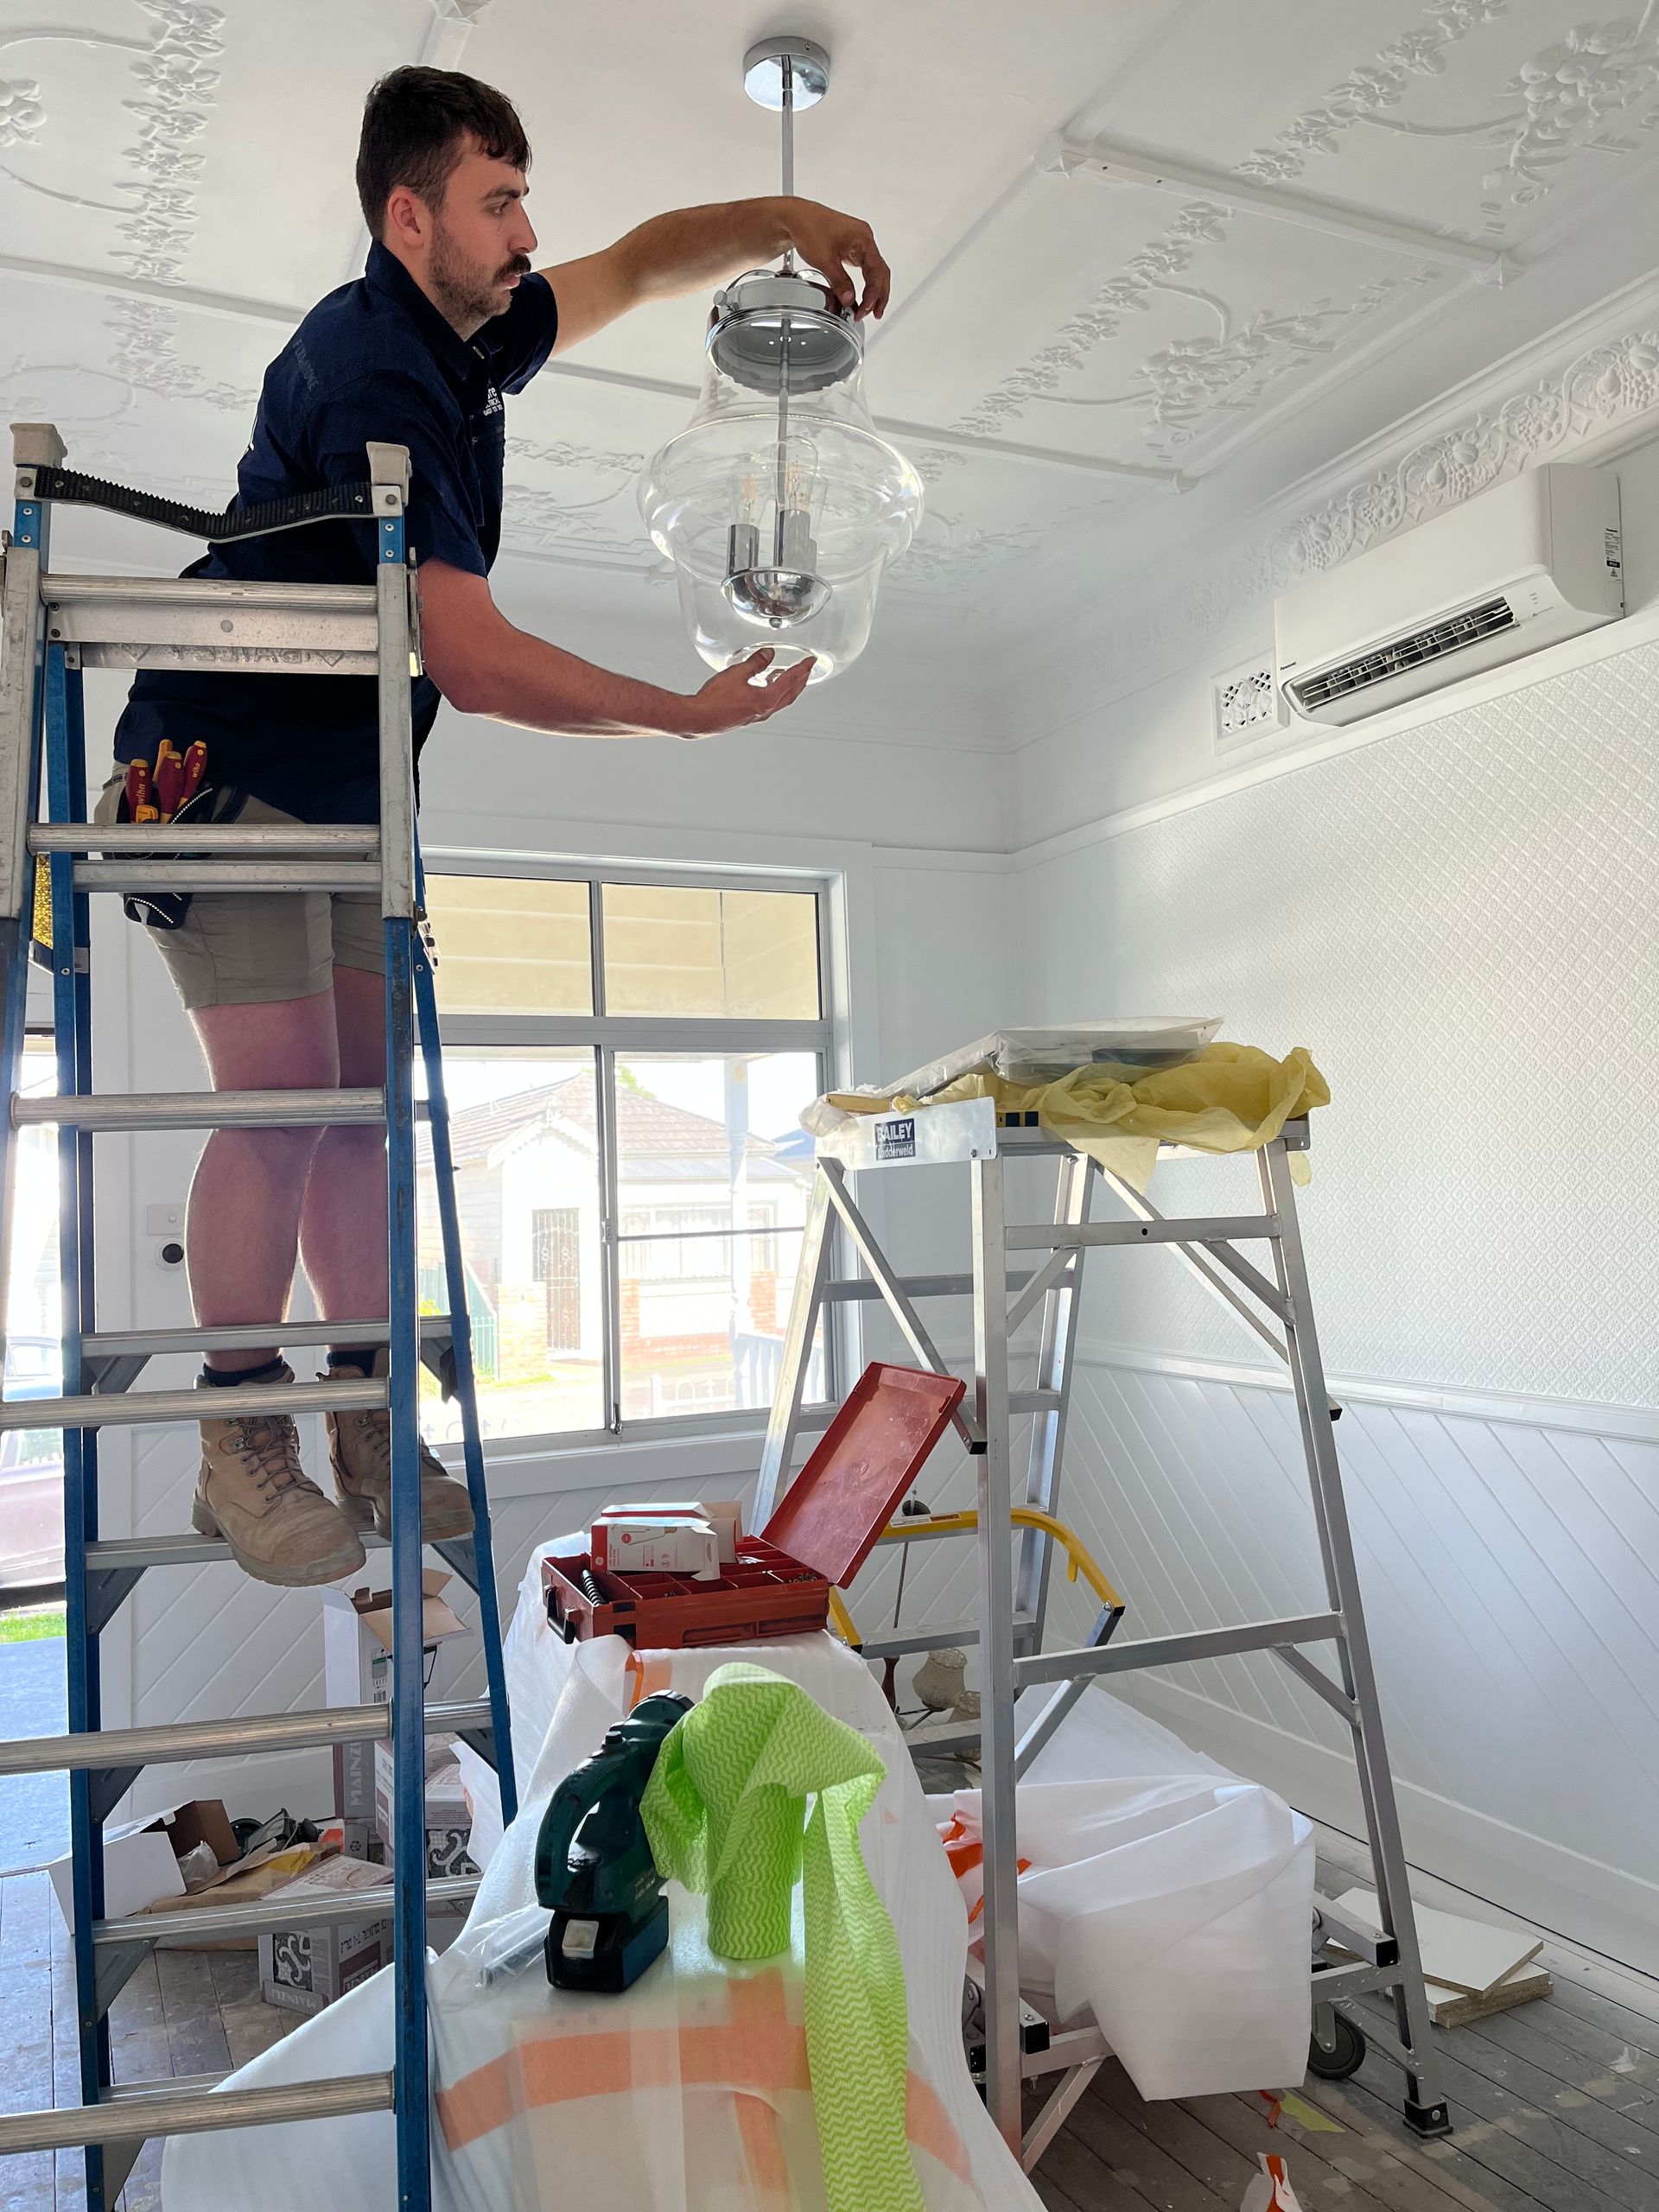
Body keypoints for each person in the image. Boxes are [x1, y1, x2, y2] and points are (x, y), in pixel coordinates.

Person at [101, 66, 892, 1587]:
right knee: (280, 1107)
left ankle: (360, 1416)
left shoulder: (471, 341)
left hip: (351, 787)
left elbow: (645, 261)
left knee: (356, 1113)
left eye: (526, 194)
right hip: (237, 765)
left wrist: (778, 214)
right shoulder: (377, 366)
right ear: (411, 217)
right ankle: (236, 1430)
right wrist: (681, 713)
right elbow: (469, 655)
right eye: (498, 200)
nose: (529, 229)